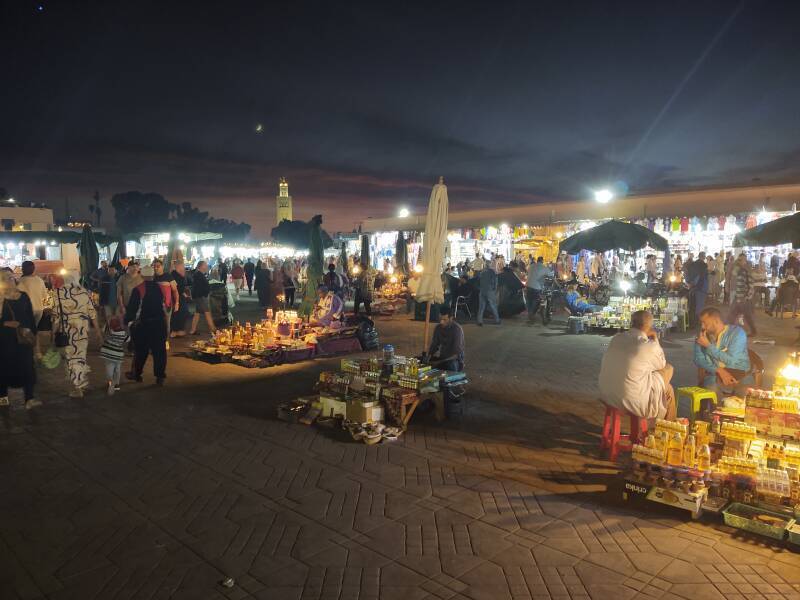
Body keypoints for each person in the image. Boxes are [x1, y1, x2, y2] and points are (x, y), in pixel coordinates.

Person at [599, 310, 676, 420]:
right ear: (648, 326)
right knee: (668, 369)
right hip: (632, 400)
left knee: (667, 388)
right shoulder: (647, 345)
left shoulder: (617, 338)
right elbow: (661, 364)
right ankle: (667, 429)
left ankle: (664, 424)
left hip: (607, 394)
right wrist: (655, 339)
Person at [53, 272, 103, 398]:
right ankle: (82, 382)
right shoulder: (83, 292)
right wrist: (98, 331)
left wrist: (52, 333)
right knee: (80, 355)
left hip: (68, 330)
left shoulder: (58, 293)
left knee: (72, 358)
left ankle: (77, 388)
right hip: (82, 329)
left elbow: (56, 317)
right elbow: (92, 313)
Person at [0, 270, 39, 409]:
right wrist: (5, 323)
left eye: (12, 277)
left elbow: (30, 318)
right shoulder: (1, 298)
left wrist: (34, 338)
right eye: (7, 278)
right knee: (4, 366)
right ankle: (3, 396)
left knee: (27, 366)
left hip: (23, 338)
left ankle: (29, 397)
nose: (11, 280)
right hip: (5, 340)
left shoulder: (23, 296)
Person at [125, 265, 168, 385]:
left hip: (143, 324)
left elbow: (133, 309)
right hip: (159, 323)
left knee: (140, 351)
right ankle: (160, 376)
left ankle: (137, 374)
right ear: (153, 275)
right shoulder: (160, 288)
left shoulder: (138, 289)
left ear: (142, 275)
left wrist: (128, 321)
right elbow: (165, 305)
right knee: (159, 351)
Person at [694, 307, 750, 391]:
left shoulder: (737, 333)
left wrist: (708, 346)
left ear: (716, 321)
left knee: (743, 392)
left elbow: (731, 360)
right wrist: (719, 370)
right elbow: (698, 359)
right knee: (711, 387)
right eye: (701, 323)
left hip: (738, 370)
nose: (702, 326)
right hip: (714, 373)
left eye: (705, 323)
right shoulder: (702, 336)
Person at [16, 260, 48, 357]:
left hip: (27, 310)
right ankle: (37, 352)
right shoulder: (39, 280)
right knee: (34, 330)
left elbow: (18, 296)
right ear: (33, 269)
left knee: (27, 331)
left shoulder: (21, 281)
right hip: (39, 309)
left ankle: (29, 352)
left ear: (23, 269)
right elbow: (44, 295)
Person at [427, 306, 465, 372]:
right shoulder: (438, 328)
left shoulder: (457, 330)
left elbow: (456, 354)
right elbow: (434, 345)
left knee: (451, 366)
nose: (441, 322)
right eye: (440, 319)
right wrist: (428, 357)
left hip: (454, 359)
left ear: (451, 318)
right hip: (443, 357)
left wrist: (439, 362)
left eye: (444, 320)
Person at [728, 254, 757, 336]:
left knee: (744, 315)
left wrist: (747, 297)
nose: (739, 262)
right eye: (739, 260)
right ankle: (729, 331)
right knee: (733, 315)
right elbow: (732, 273)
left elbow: (751, 285)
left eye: (741, 260)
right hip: (739, 297)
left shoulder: (746, 271)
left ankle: (753, 331)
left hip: (743, 298)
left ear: (745, 261)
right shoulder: (739, 270)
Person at [100, 315, 129, 396]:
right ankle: (114, 384)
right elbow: (128, 339)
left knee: (110, 372)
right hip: (117, 356)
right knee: (116, 371)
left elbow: (103, 329)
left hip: (109, 356)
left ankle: (113, 383)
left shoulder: (108, 331)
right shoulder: (122, 333)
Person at [189, 260, 216, 335]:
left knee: (197, 313)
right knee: (207, 312)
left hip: (199, 296)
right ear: (201, 266)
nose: (207, 266)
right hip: (201, 297)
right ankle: (213, 328)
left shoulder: (198, 274)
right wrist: (205, 293)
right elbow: (198, 287)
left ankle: (193, 330)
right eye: (205, 265)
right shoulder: (198, 275)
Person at [526, 256, 552, 323]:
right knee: (536, 301)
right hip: (537, 287)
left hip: (528, 286)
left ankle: (530, 314)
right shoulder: (544, 268)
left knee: (529, 301)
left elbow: (527, 273)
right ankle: (532, 315)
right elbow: (551, 276)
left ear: (537, 260)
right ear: (542, 261)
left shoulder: (531, 266)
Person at [686, 251, 709, 324]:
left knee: (693, 304)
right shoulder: (703, 265)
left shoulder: (693, 264)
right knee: (700, 304)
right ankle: (698, 320)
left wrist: (690, 283)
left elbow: (689, 274)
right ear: (703, 257)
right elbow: (702, 277)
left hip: (693, 286)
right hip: (701, 287)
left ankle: (693, 320)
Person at [170, 261, 190, 337]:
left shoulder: (177, 275)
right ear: (179, 267)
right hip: (176, 297)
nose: (184, 268)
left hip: (179, 296)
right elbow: (177, 288)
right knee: (179, 313)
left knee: (181, 312)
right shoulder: (175, 275)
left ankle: (177, 330)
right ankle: (175, 331)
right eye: (183, 266)